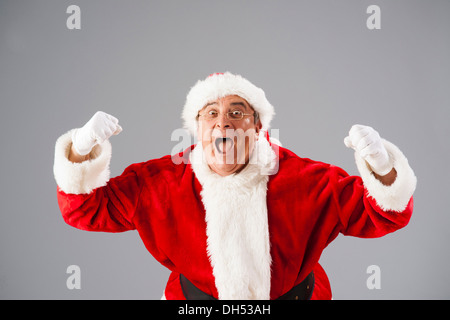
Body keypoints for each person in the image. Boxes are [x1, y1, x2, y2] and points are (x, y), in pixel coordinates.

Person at [53, 72, 417, 300]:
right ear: (197, 127)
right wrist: (81, 151)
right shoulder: (159, 183)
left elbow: (385, 213)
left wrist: (382, 167)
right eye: (211, 113)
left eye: (236, 112)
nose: (223, 122)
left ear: (258, 127)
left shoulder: (308, 180)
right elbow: (83, 209)